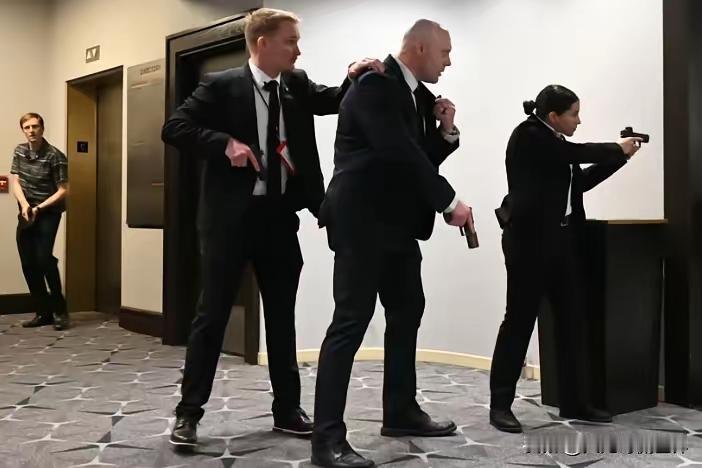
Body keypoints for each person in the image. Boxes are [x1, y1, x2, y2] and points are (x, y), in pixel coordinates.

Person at [161, 7, 383, 448]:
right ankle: (188, 413)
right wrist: (224, 143)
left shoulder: (295, 84)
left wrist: (354, 76)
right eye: (290, 41)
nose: (298, 50)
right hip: (229, 222)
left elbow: (333, 100)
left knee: (281, 318)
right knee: (212, 316)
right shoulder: (221, 85)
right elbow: (175, 127)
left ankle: (287, 410)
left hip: (279, 218)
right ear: (262, 43)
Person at [311, 19, 473, 468]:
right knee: (350, 323)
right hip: (362, 222)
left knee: (407, 310)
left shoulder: (416, 96)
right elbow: (397, 153)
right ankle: (327, 440)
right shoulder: (374, 85)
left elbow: (417, 156)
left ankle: (400, 412)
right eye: (444, 52)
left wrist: (445, 131)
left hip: (396, 225)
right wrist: (449, 202)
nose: (448, 62)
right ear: (419, 48)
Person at [489, 84, 643, 433]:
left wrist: (621, 157)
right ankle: (500, 405)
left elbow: (580, 182)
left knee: (572, 322)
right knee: (519, 322)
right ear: (553, 116)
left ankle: (575, 401)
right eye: (574, 114)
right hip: (529, 244)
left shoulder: (556, 143)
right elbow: (576, 153)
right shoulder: (529, 135)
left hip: (562, 242)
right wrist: (613, 148)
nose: (579, 120)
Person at [11, 113, 69, 331]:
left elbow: (63, 190)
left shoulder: (55, 156)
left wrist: (39, 208)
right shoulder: (20, 150)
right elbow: (16, 180)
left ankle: (60, 311)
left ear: (42, 128)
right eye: (27, 127)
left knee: (44, 259)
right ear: (23, 130)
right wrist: (25, 205)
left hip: (48, 212)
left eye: (35, 126)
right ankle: (43, 312)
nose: (31, 131)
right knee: (28, 262)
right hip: (27, 210)